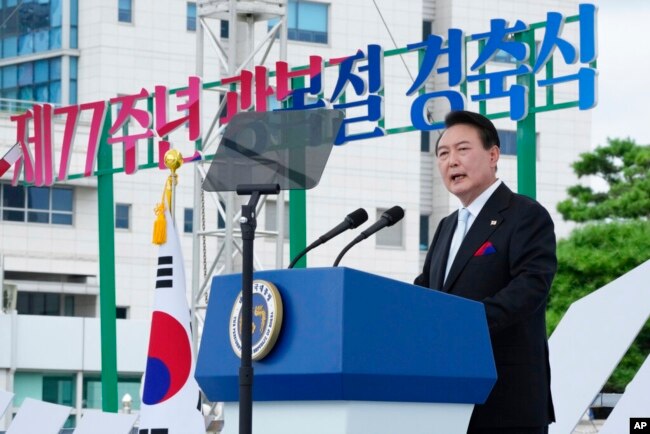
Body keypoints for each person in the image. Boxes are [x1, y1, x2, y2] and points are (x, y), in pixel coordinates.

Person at [414, 110, 557, 434]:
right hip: (449, 397)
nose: (451, 161)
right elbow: (425, 290)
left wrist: (464, 323)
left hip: (506, 399)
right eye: (443, 153)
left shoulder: (525, 214)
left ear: (493, 155)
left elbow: (531, 286)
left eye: (462, 150)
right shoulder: (447, 226)